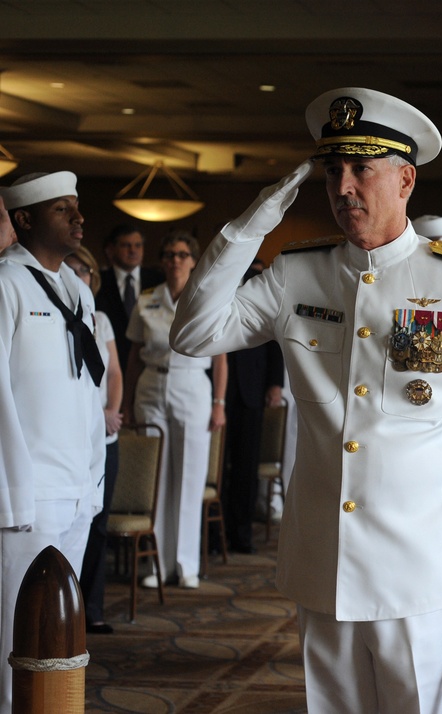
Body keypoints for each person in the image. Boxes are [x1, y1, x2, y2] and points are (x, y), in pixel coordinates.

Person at [169, 87, 442, 713]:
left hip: (420, 566)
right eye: (333, 171)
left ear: (406, 179)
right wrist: (251, 224)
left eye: (363, 168)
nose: (344, 187)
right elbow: (194, 333)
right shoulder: (296, 272)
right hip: (322, 563)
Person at [0, 172, 105, 711]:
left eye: (77, 208)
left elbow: (90, 393)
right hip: (29, 493)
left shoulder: (78, 289)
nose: (78, 218)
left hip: (75, 488)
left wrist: (94, 482)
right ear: (24, 220)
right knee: (11, 633)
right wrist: (11, 494)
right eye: (62, 210)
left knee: (59, 634)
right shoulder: (6, 283)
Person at [122, 231, 227, 590]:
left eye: (182, 254)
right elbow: (133, 356)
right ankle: (154, 563)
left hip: (192, 385)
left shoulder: (205, 298)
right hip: (152, 385)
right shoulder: (147, 298)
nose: (175, 260)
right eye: (168, 254)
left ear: (194, 260)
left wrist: (219, 403)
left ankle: (184, 563)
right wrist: (126, 401)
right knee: (155, 479)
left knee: (189, 476)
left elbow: (222, 357)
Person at [66, 245, 124, 635]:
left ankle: (94, 606)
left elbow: (115, 373)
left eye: (85, 271)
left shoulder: (100, 317)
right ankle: (65, 609)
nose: (80, 276)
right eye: (73, 271)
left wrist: (111, 413)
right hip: (70, 434)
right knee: (71, 519)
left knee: (97, 522)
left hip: (102, 434)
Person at [223, 261, 285, 554]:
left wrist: (275, 383)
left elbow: (275, 337)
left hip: (251, 386)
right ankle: (213, 535)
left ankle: (241, 534)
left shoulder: (258, 282)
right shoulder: (216, 280)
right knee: (218, 467)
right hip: (216, 389)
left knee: (246, 466)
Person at [96, 224, 164, 371]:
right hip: (110, 362)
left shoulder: (158, 280)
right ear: (112, 249)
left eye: (138, 245)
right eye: (126, 245)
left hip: (150, 365)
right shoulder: (98, 281)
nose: (133, 250)